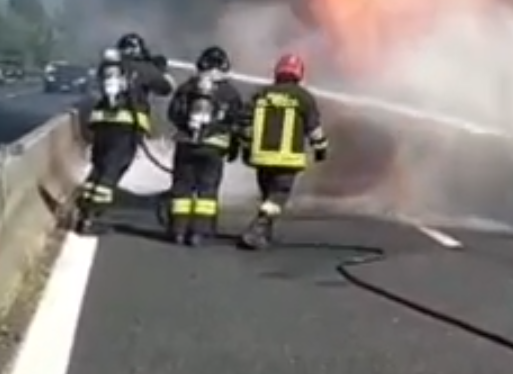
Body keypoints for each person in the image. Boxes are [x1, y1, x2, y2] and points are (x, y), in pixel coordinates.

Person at [74, 32, 176, 235]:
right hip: (126, 130)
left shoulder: (108, 68)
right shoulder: (143, 69)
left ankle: (83, 212)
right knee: (111, 172)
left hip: (102, 126)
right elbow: (165, 88)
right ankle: (91, 217)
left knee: (99, 168)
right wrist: (158, 69)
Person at [237, 52, 328, 250]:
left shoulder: (261, 94)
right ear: (299, 75)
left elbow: (245, 124)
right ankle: (257, 230)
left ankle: (264, 234)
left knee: (267, 195)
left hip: (261, 157)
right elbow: (314, 129)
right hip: (287, 159)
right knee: (278, 196)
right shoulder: (303, 97)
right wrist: (320, 149)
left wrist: (245, 149)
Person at [164, 45, 246, 246]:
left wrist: (186, 127)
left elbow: (173, 113)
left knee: (182, 188)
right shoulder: (230, 92)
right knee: (207, 191)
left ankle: (178, 231)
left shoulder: (188, 87)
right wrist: (234, 147)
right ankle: (199, 233)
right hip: (213, 149)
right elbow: (237, 122)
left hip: (186, 145)